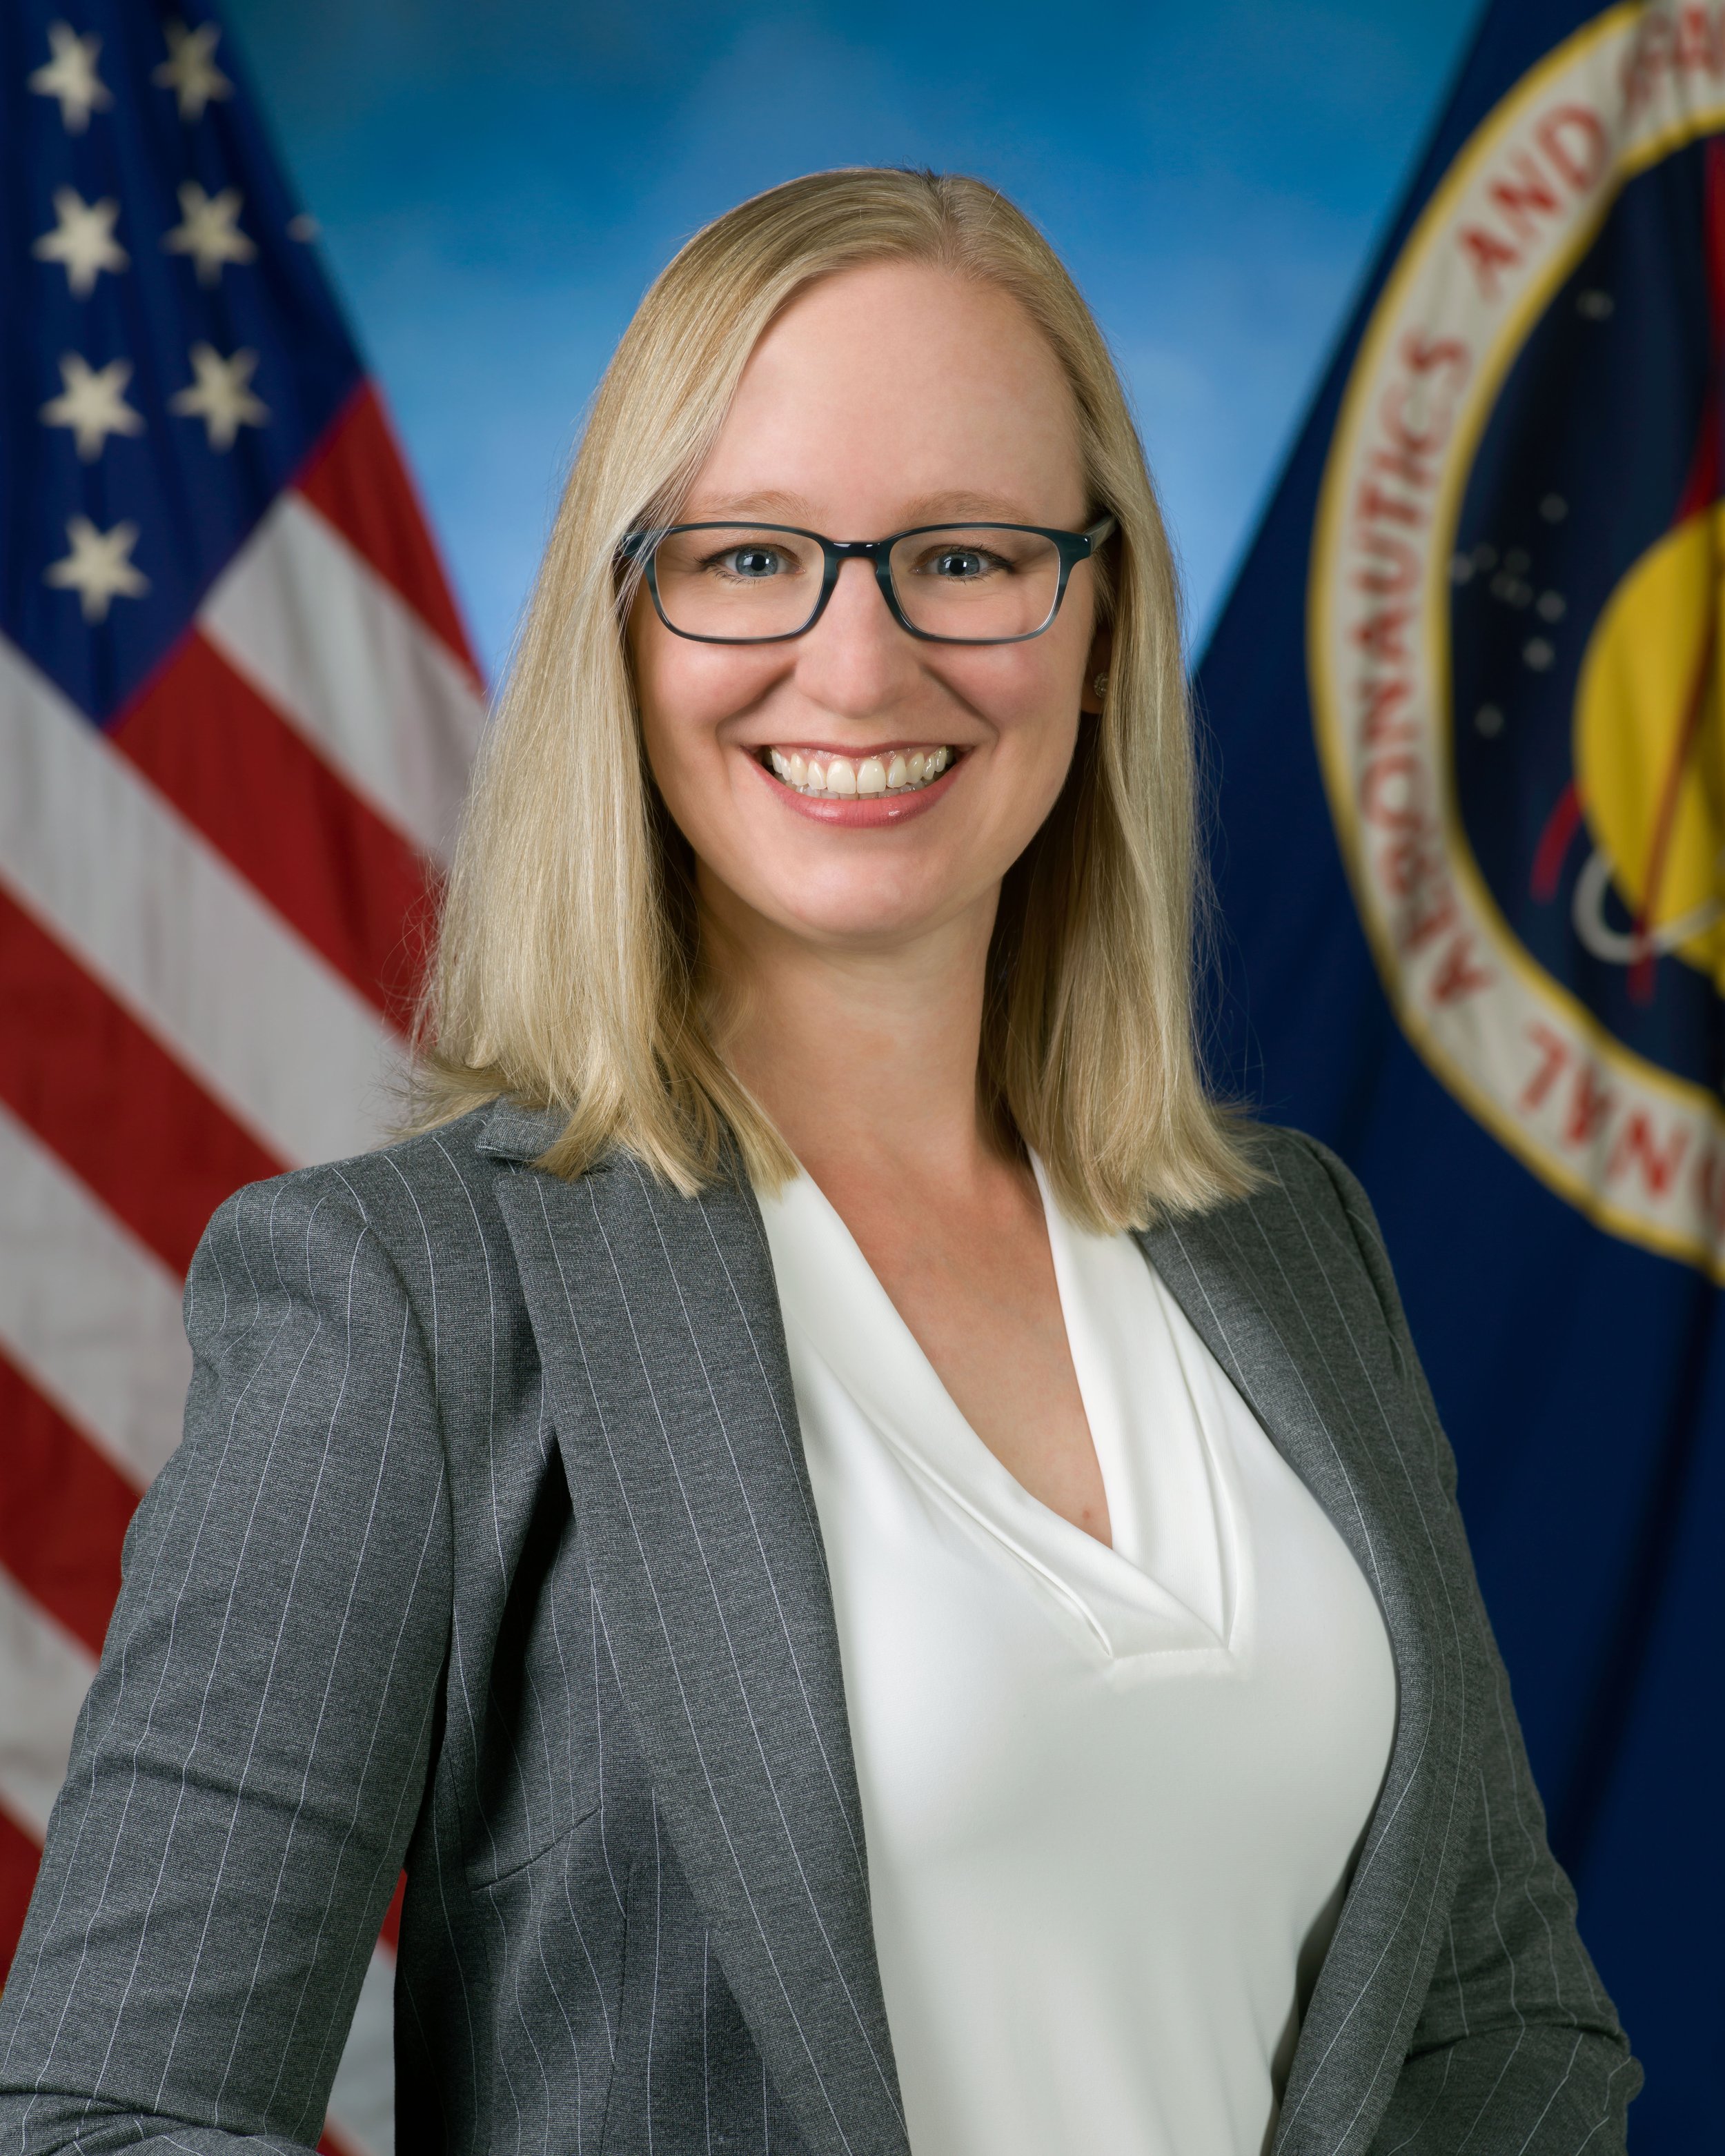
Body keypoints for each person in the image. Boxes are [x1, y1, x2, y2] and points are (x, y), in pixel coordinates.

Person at [0, 168, 1636, 2156]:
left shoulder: (1288, 1246)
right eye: (753, 558)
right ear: (623, 624)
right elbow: (104, 2114)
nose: (856, 668)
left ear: (1098, 620)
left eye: (962, 556)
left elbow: (1498, 2029)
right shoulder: (406, 1301)